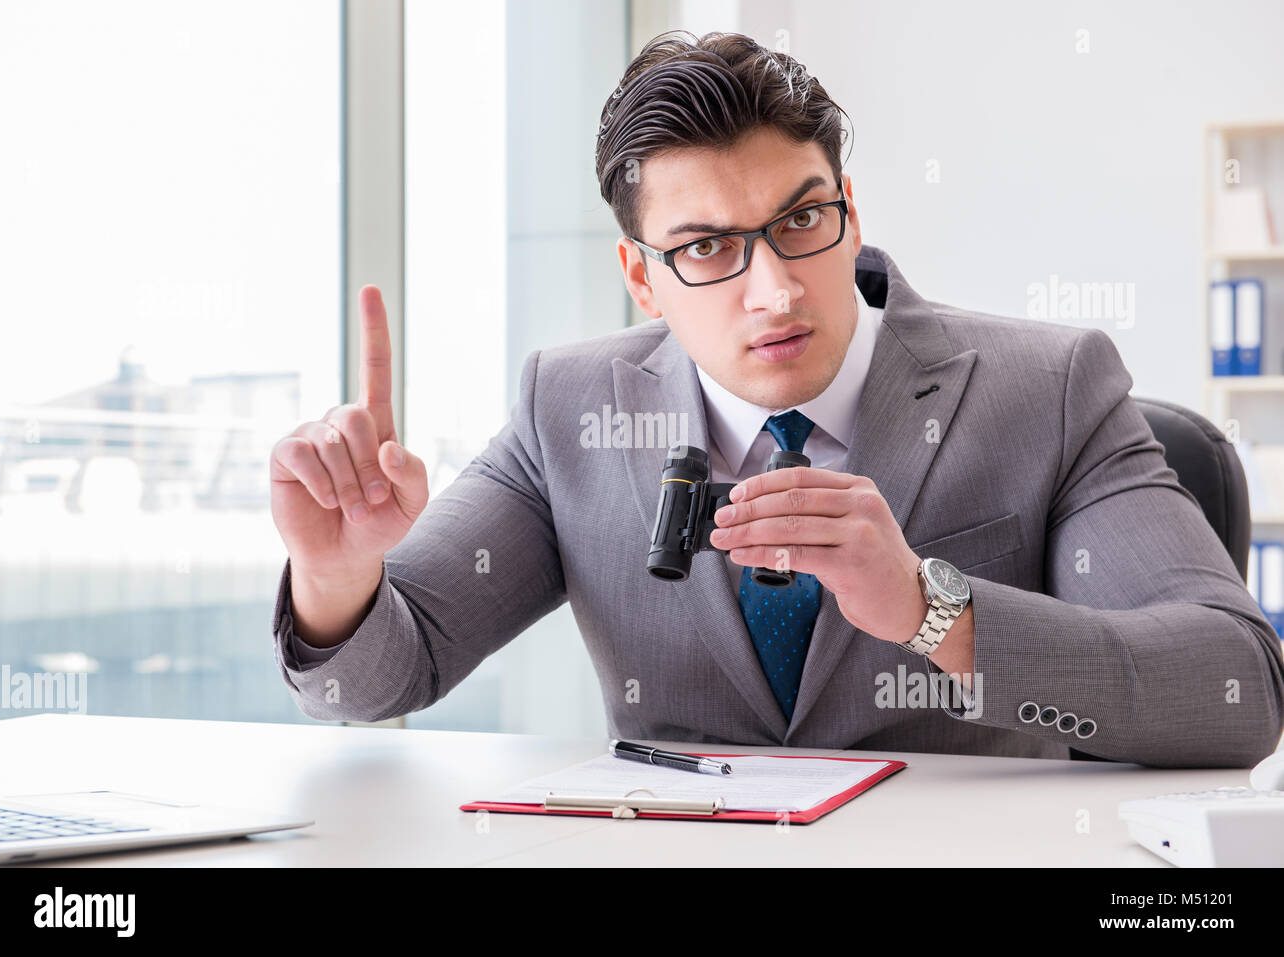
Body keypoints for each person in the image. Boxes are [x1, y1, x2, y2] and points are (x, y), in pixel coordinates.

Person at [268, 31, 1283, 766]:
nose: (775, 290)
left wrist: (935, 613)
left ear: (849, 213)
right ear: (640, 276)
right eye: (707, 247)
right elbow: (372, 686)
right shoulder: (568, 408)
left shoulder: (1048, 388)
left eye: (801, 220)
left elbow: (1234, 691)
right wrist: (337, 576)